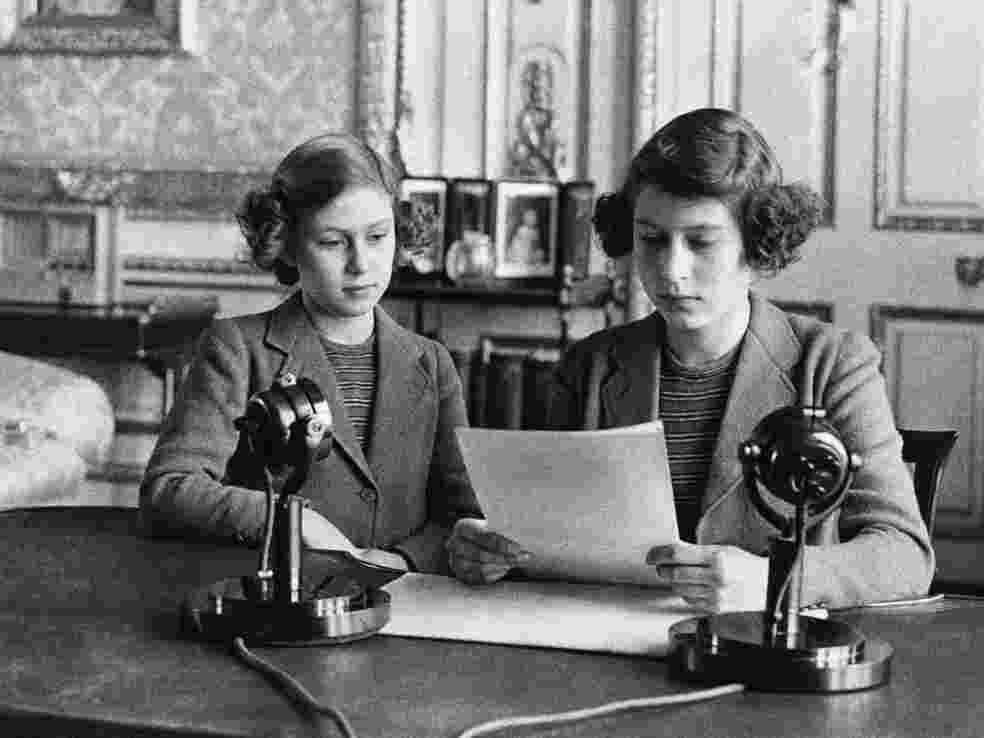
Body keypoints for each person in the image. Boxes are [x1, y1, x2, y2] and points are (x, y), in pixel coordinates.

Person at [446, 107, 933, 611]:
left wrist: (774, 578)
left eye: (701, 242)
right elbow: (547, 540)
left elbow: (904, 555)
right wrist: (487, 550)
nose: (671, 270)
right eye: (652, 240)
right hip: (608, 651)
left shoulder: (834, 365)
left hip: (766, 658)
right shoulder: (588, 368)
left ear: (758, 246)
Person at [139, 132, 480, 574]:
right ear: (288, 244)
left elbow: (461, 516)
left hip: (404, 608)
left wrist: (400, 560)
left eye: (377, 236)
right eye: (333, 243)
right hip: (276, 608)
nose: (361, 263)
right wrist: (289, 521)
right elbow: (169, 490)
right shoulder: (237, 349)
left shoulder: (433, 364)